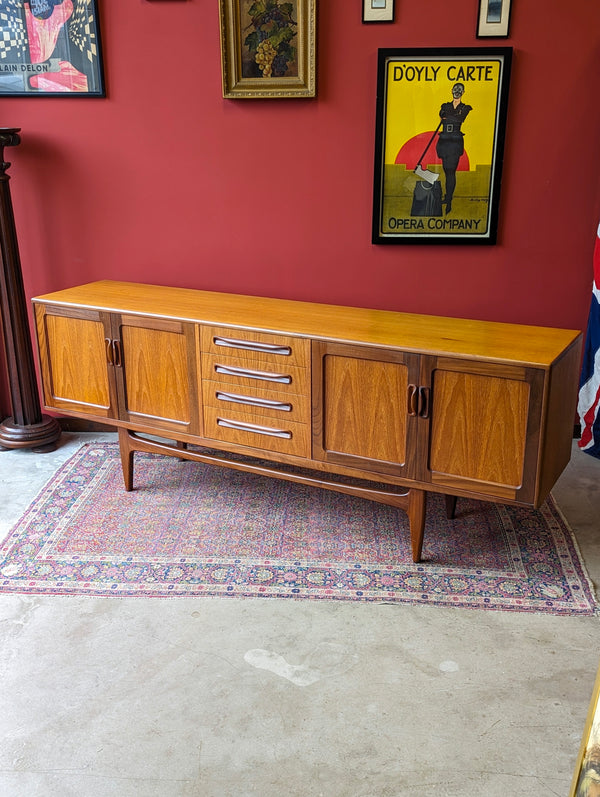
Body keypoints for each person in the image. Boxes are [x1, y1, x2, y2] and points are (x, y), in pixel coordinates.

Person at [436, 82, 472, 214]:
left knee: (451, 173)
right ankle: (447, 198)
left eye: (460, 89)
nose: (457, 91)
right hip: (444, 141)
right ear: (451, 90)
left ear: (463, 92)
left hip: (455, 143)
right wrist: (450, 117)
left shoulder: (466, 107)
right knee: (447, 172)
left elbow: (460, 119)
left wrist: (448, 117)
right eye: (455, 89)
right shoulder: (445, 105)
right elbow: (442, 115)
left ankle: (449, 200)